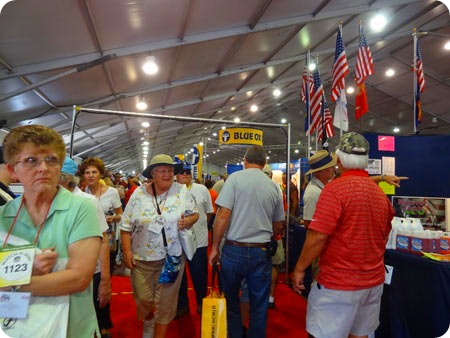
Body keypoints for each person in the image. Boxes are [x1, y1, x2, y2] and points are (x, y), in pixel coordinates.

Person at [0, 124, 102, 337]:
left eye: (51, 160)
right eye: (31, 160)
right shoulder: (3, 215)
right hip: (15, 329)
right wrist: (31, 271)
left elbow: (78, 278)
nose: (43, 168)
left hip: (72, 329)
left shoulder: (81, 209)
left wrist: (13, 284)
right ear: (12, 170)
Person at [292, 132, 395, 338]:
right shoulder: (380, 195)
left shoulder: (334, 190)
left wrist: (299, 268)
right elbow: (384, 235)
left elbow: (317, 236)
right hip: (372, 282)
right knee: (360, 334)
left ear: (338, 160)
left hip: (338, 283)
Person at [208, 145, 285, 338]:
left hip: (234, 250)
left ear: (245, 161)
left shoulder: (234, 179)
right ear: (264, 163)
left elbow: (223, 215)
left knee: (232, 302)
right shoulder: (273, 186)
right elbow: (278, 224)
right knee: (259, 306)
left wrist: (215, 247)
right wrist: (272, 237)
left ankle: (235, 334)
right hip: (261, 251)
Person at [120, 154, 199, 338]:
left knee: (166, 303)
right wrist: (126, 251)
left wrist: (188, 221)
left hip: (172, 258)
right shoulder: (138, 194)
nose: (167, 174)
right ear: (152, 174)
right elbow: (125, 226)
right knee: (144, 299)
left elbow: (195, 214)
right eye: (162, 171)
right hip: (142, 259)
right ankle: (149, 320)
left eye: (170, 170)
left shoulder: (182, 190)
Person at [59, 156, 112, 338]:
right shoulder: (48, 201)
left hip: (87, 275)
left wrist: (105, 280)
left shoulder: (87, 202)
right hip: (59, 276)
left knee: (85, 324)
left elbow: (103, 240)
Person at [79, 157, 122, 338]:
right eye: (87, 172)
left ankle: (104, 323)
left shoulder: (111, 192)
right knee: (90, 282)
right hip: (88, 242)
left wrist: (113, 218)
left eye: (94, 172)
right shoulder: (82, 193)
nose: (90, 175)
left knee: (104, 281)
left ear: (100, 174)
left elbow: (121, 214)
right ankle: (92, 321)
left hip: (108, 241)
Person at [175, 161, 214, 316]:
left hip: (199, 240)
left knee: (199, 274)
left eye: (187, 172)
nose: (185, 175)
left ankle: (201, 301)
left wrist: (201, 225)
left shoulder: (202, 189)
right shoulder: (173, 190)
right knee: (180, 275)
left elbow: (209, 212)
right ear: (176, 175)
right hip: (177, 242)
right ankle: (182, 305)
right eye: (182, 172)